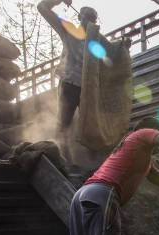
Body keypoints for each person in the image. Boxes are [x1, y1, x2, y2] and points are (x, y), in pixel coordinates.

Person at [37, 0, 107, 159]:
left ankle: (94, 163)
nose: (88, 21)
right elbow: (42, 7)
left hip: (87, 88)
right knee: (63, 123)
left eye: (92, 19)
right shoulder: (68, 31)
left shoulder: (96, 42)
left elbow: (112, 56)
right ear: (79, 17)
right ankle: (60, 158)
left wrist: (125, 46)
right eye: (86, 17)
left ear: (94, 22)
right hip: (68, 84)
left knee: (91, 125)